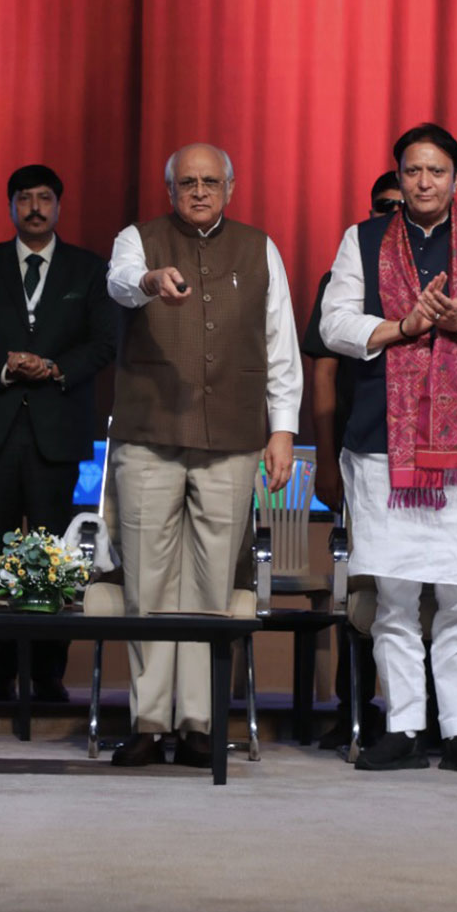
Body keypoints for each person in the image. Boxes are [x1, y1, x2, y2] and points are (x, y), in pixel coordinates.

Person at [321, 125, 457, 775]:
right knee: (393, 597)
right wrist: (403, 326)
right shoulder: (362, 241)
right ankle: (404, 727)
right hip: (383, 444)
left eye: (436, 171)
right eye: (412, 170)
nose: (423, 182)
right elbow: (333, 323)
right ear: (399, 175)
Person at [105, 143, 301, 768]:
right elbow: (119, 283)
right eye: (187, 182)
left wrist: (283, 429)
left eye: (209, 182)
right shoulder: (138, 240)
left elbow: (281, 341)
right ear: (170, 190)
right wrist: (150, 280)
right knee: (147, 579)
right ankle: (148, 720)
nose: (198, 191)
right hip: (149, 433)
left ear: (230, 188)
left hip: (234, 435)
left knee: (212, 581)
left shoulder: (259, 248)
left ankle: (196, 721)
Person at [0, 164, 115, 704]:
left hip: (58, 427)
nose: (34, 207)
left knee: (54, 552)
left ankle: (50, 673)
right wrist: (5, 367)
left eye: (44, 198)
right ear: (10, 205)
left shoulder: (88, 269)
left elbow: (104, 342)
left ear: (59, 205)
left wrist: (53, 367)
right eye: (24, 198)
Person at [300, 170, 401, 750]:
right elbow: (324, 371)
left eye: (401, 206)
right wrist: (325, 458)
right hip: (359, 452)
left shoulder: (453, 267)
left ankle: (425, 714)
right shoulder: (346, 273)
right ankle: (355, 706)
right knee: (360, 582)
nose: (392, 216)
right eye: (382, 207)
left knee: (425, 584)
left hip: (429, 458)